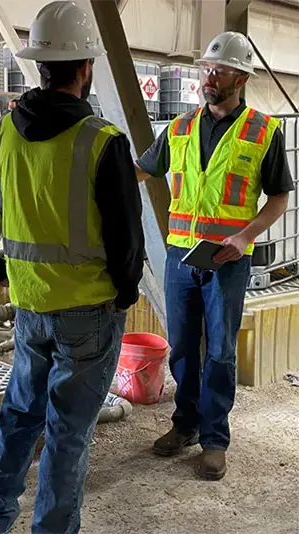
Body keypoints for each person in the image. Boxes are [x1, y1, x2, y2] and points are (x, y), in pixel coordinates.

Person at [0, 2, 144, 532]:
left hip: (30, 308)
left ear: (41, 65)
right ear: (85, 68)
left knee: (18, 418)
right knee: (67, 434)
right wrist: (125, 294)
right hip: (89, 313)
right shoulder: (103, 142)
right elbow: (128, 241)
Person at [136, 31, 294, 480]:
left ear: (240, 77)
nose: (209, 75)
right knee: (184, 347)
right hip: (181, 259)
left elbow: (280, 197)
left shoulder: (264, 131)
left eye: (219, 68)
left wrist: (245, 238)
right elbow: (140, 170)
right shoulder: (180, 128)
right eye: (206, 67)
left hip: (228, 261)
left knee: (221, 352)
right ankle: (184, 424)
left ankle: (215, 440)